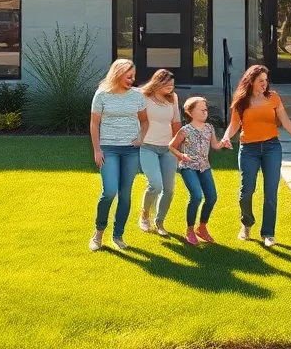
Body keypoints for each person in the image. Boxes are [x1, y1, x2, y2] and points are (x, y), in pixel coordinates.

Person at [219, 64, 291, 247]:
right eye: (260, 81)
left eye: (266, 80)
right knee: (246, 192)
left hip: (272, 147)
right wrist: (225, 137)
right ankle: (246, 223)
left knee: (271, 192)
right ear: (251, 81)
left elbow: (286, 122)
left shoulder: (273, 98)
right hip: (248, 149)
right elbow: (234, 125)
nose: (264, 84)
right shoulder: (241, 101)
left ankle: (268, 234)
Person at [89, 59, 150, 252]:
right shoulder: (102, 95)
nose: (132, 80)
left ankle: (118, 235)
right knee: (109, 192)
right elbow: (94, 124)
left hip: (131, 150)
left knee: (125, 195)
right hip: (108, 149)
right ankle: (98, 233)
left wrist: (141, 138)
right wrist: (97, 150)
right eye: (129, 76)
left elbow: (145, 121)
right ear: (117, 73)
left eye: (133, 76)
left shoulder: (137, 97)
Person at [168, 96, 221, 245]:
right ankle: (190, 230)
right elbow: (171, 146)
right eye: (201, 108)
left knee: (212, 197)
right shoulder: (185, 130)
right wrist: (181, 155)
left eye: (206, 108)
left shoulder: (209, 128)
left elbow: (215, 146)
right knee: (197, 196)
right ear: (190, 112)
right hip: (188, 167)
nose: (205, 110)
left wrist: (223, 143)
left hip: (204, 167)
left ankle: (202, 228)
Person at [137, 69, 181, 237]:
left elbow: (176, 123)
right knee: (156, 184)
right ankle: (144, 214)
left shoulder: (173, 98)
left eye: (172, 84)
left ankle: (160, 222)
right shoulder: (143, 96)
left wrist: (177, 150)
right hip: (147, 146)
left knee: (169, 189)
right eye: (167, 84)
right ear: (157, 82)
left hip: (168, 148)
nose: (171, 87)